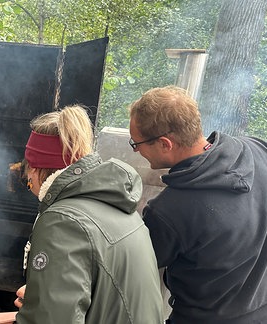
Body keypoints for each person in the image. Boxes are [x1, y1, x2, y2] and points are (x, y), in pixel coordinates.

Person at [128, 85, 267, 324]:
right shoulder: (263, 150)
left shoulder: (168, 211)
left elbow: (133, 271)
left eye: (136, 143)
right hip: (266, 314)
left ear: (165, 144)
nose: (137, 150)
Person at [13, 105, 163, 324]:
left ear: (35, 169)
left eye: (27, 167)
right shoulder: (117, 202)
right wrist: (43, 295)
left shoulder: (62, 221)